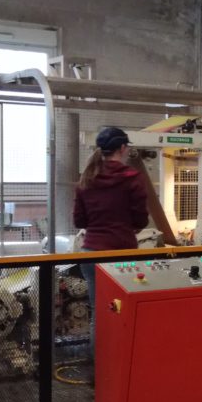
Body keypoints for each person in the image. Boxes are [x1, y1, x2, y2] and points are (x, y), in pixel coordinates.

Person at [73, 127, 150, 312]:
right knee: (124, 311)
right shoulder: (132, 178)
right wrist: (130, 226)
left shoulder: (87, 179)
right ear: (122, 148)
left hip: (91, 254)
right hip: (122, 255)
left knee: (99, 313)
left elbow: (79, 222)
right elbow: (141, 219)